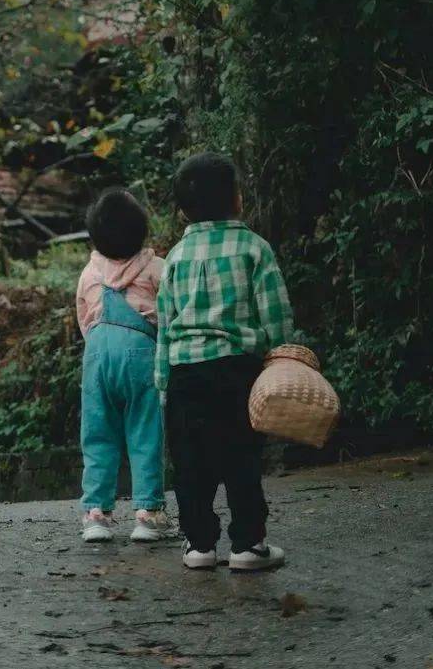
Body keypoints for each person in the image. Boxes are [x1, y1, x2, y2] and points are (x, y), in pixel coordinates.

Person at [156, 152, 294, 573]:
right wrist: (283, 356)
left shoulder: (176, 257)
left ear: (182, 208)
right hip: (238, 370)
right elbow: (275, 313)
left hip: (185, 374)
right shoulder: (254, 248)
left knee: (190, 465)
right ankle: (248, 545)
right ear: (237, 199)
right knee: (242, 459)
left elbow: (165, 325)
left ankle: (199, 546)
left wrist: (163, 383)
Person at [76, 187, 170, 544]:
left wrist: (100, 347)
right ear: (142, 231)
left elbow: (84, 318)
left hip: (98, 358)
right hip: (142, 355)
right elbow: (169, 316)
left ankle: (96, 514)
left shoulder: (90, 273)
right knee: (145, 433)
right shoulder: (158, 269)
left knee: (98, 435)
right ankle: (147, 514)